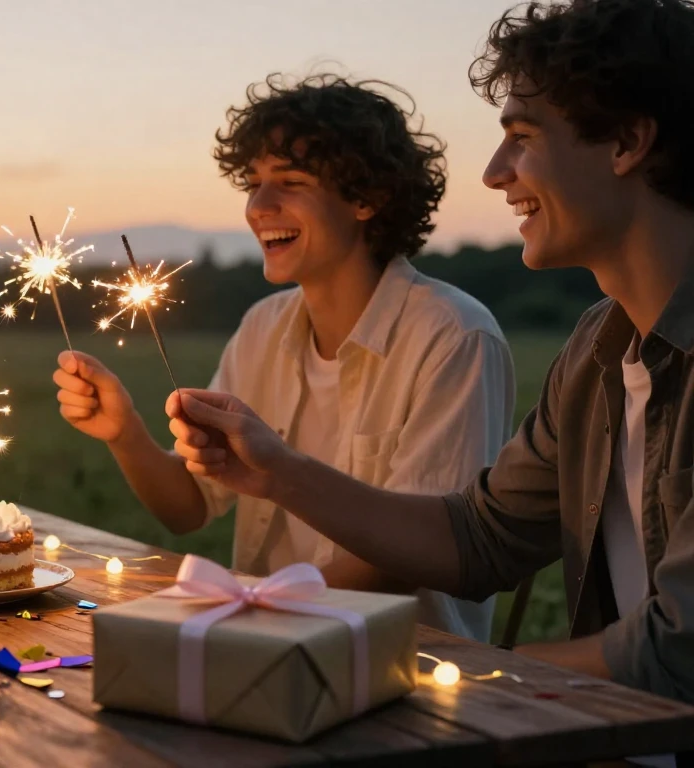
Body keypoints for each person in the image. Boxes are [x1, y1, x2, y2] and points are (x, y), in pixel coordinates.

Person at [167, 0, 694, 707]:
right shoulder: (597, 351)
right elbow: (479, 535)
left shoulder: (458, 332)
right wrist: (279, 473)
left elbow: (677, 652)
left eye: (523, 136)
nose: (495, 171)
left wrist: (461, 676)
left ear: (627, 142)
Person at [53, 73, 515, 641]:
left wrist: (250, 616)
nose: (259, 206)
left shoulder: (453, 336)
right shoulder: (262, 328)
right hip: (261, 644)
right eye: (253, 183)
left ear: (369, 198)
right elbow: (188, 509)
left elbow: (410, 555)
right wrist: (123, 432)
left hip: (401, 663)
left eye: (290, 182)